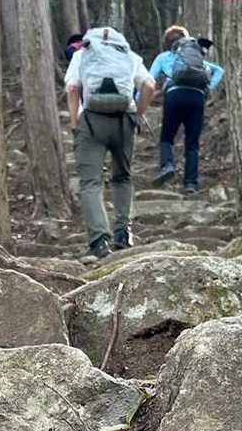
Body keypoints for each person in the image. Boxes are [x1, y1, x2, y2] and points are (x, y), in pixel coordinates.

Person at [65, 27, 155, 258]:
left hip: (92, 121)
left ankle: (100, 241)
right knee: (122, 177)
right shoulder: (130, 56)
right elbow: (149, 85)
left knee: (90, 182)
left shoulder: (82, 55)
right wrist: (138, 113)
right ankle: (123, 233)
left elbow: (73, 88)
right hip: (124, 121)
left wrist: (75, 124)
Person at [148, 25, 224, 194]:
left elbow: (149, 79)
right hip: (197, 97)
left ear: (168, 43)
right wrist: (209, 89)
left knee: (167, 136)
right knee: (192, 143)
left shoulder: (164, 57)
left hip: (174, 95)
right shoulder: (197, 59)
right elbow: (219, 71)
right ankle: (190, 184)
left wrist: (138, 101)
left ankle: (167, 165)